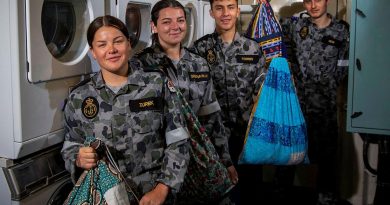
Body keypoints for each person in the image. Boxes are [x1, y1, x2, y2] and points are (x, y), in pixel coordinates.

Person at [61, 15, 190, 205]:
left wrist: (162, 189)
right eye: (102, 44)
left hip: (154, 196)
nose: (111, 50)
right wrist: (78, 158)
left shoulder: (156, 84)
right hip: (107, 198)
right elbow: (70, 145)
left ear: (129, 44)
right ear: (93, 52)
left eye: (118, 41)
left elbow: (179, 140)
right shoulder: (79, 98)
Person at [132, 0, 238, 204]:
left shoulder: (198, 63)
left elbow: (212, 117)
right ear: (154, 26)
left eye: (180, 20)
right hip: (159, 163)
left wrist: (226, 160)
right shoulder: (140, 66)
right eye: (167, 21)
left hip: (197, 156)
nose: (175, 27)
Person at [190, 0, 267, 204]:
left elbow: (262, 92)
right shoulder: (200, 48)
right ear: (211, 12)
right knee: (220, 193)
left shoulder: (252, 48)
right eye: (220, 8)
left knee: (251, 190)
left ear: (237, 11)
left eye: (230, 7)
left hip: (248, 136)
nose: (225, 13)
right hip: (214, 136)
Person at [278, 0, 350, 204]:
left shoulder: (341, 31)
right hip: (296, 108)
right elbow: (284, 51)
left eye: (318, 0)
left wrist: (327, 85)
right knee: (287, 158)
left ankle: (325, 199)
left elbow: (344, 65)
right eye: (308, 1)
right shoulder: (295, 26)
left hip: (325, 108)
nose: (313, 5)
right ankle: (281, 197)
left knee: (326, 160)